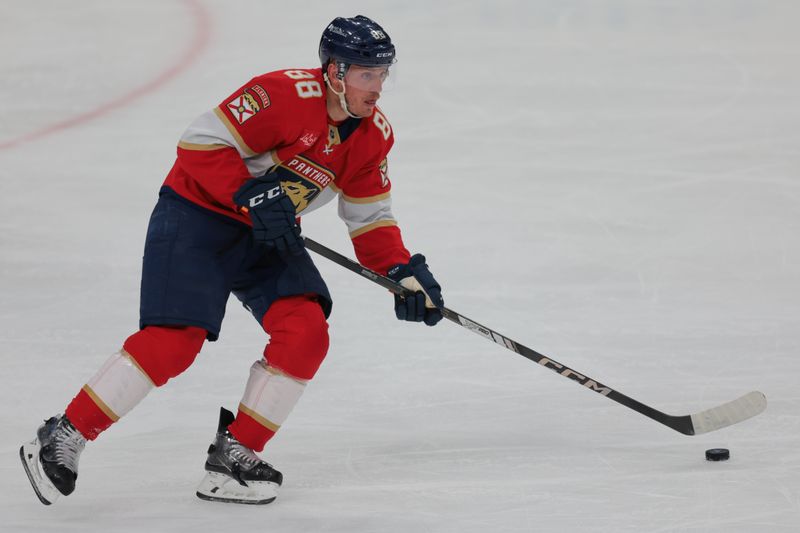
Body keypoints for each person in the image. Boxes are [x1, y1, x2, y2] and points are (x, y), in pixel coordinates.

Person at [20, 15, 444, 506]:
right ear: (333, 71)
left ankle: (234, 455)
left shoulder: (373, 135)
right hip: (197, 214)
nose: (377, 87)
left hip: (267, 234)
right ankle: (63, 434)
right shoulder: (280, 95)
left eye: (382, 75)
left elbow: (370, 219)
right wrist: (248, 195)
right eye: (367, 74)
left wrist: (400, 271)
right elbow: (199, 141)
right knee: (174, 342)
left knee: (306, 331)